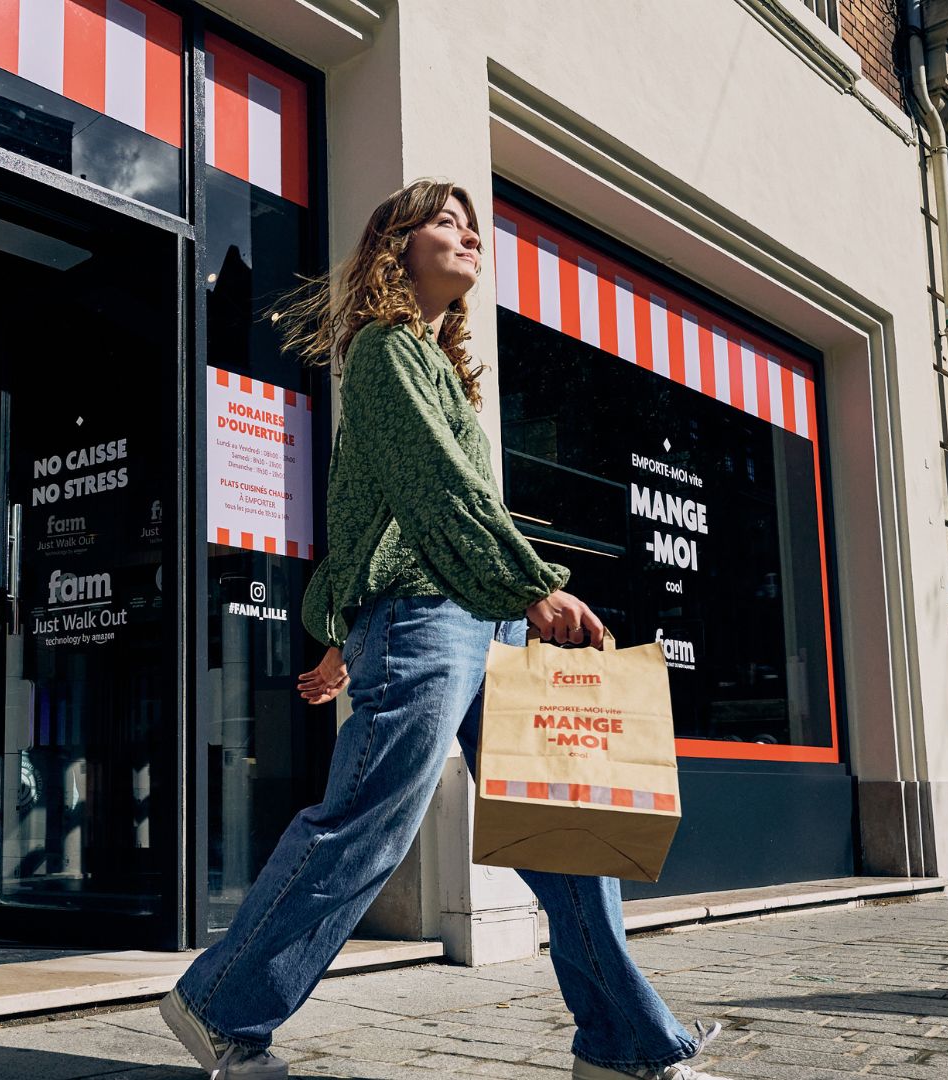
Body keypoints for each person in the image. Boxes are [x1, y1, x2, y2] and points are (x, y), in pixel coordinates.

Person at [158, 180, 727, 1080]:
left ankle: (624, 1043)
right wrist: (532, 586)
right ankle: (220, 1003)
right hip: (432, 619)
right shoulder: (384, 351)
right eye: (444, 222)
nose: (467, 235)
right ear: (397, 246)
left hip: (477, 618)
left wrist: (359, 629)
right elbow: (439, 494)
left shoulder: (429, 365)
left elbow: (376, 515)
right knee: (366, 827)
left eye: (472, 225)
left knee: (561, 831)